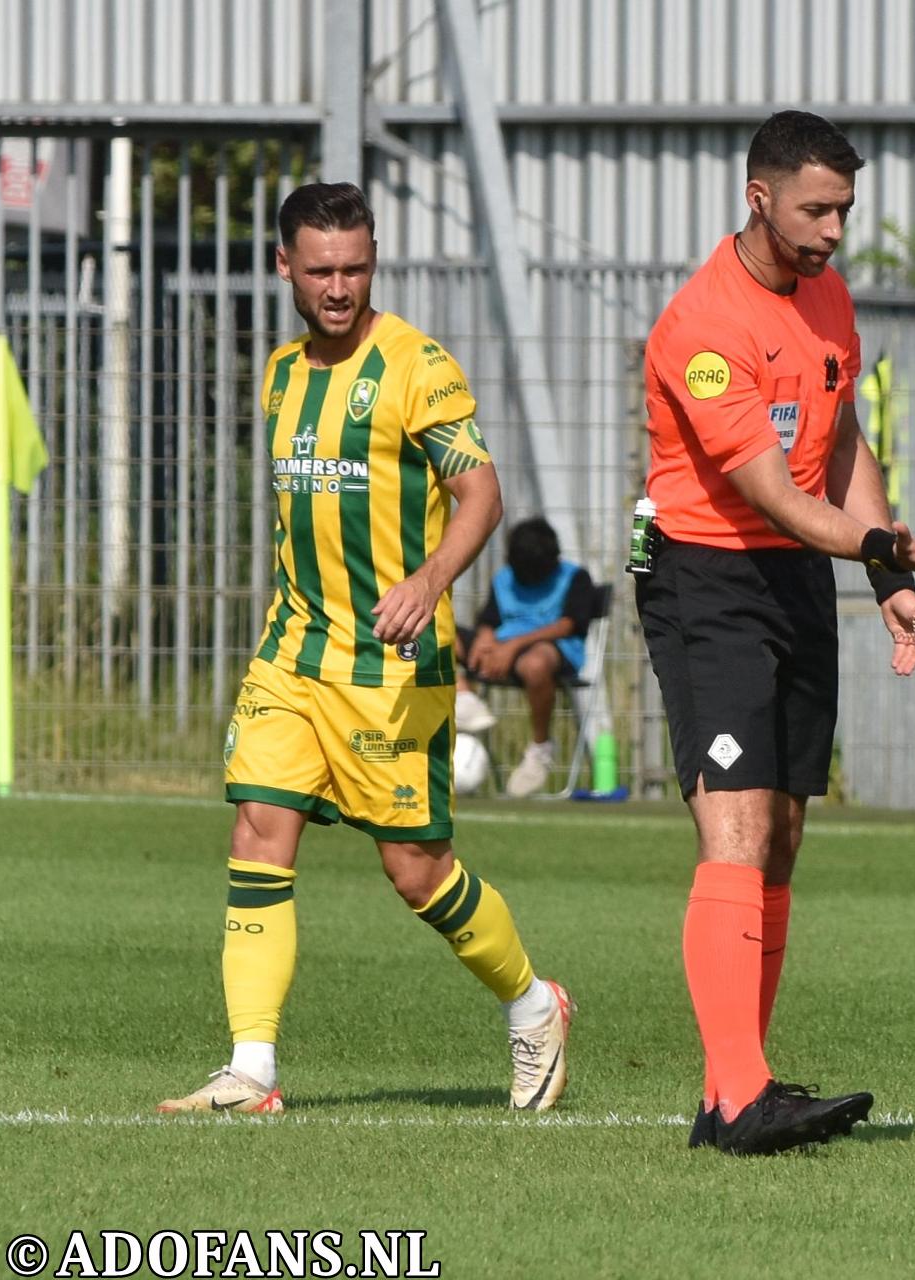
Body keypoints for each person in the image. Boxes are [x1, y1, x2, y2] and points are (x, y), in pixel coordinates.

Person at [160, 182, 571, 1115]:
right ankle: (251, 1070)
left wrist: (429, 583)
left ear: (372, 259)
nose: (338, 287)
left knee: (414, 869)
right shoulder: (278, 375)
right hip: (293, 655)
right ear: (284, 268)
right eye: (320, 271)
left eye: (354, 267)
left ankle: (533, 1004)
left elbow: (482, 496)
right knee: (259, 833)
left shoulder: (418, 366)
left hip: (391, 669)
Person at [639, 110, 915, 1156]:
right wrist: (889, 542)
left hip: (797, 577)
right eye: (817, 208)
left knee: (783, 838)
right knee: (736, 828)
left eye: (844, 207)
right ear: (760, 198)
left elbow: (840, 445)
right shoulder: (702, 325)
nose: (836, 228)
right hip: (706, 578)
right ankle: (746, 1095)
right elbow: (770, 494)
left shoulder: (828, 297)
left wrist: (884, 575)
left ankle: (727, 1093)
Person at [456, 516, 599, 797]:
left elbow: (569, 624)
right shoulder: (504, 578)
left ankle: (540, 748)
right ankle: (463, 697)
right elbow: (489, 620)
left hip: (552, 651)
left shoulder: (575, 577)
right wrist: (485, 639)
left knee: (535, 663)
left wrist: (513, 646)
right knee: (437, 632)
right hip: (500, 649)